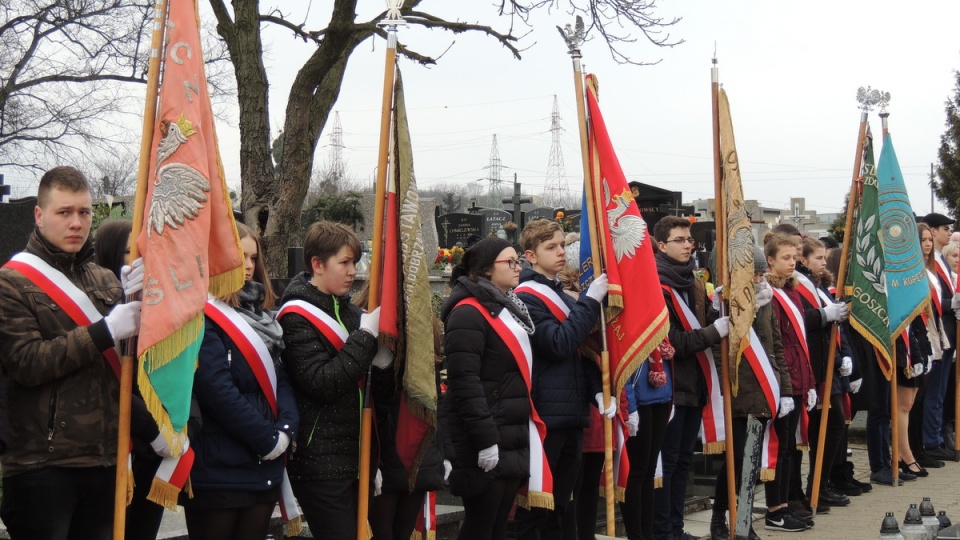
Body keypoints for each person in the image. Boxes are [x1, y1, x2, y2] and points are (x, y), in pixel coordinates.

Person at [0, 166, 143, 540]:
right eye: (64, 212)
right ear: (39, 215)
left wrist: (143, 301)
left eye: (84, 212)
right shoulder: (10, 282)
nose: (76, 223)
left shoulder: (106, 278)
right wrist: (105, 329)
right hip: (43, 464)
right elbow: (27, 362)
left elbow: (130, 361)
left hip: (105, 456)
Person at [182, 223, 300, 540]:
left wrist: (287, 430)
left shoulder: (265, 317)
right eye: (239, 257)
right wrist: (267, 439)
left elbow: (282, 379)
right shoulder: (202, 315)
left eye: (252, 258)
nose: (247, 266)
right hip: (218, 467)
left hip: (263, 467)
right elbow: (216, 391)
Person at [278, 221, 381, 540]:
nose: (353, 271)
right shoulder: (296, 316)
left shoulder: (351, 312)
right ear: (317, 265)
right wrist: (365, 337)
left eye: (355, 262)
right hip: (319, 462)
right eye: (345, 262)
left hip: (357, 454)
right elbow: (322, 382)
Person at [513, 219, 612, 540]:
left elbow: (579, 354)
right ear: (530, 255)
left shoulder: (560, 293)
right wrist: (589, 301)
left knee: (559, 507)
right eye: (550, 247)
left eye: (561, 245)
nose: (560, 252)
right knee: (536, 509)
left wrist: (596, 392)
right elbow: (558, 343)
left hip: (572, 414)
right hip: (545, 416)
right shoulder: (526, 297)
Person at [439, 237, 536, 540]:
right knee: (481, 526)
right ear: (486, 270)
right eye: (510, 261)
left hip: (510, 431)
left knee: (498, 527)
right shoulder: (468, 312)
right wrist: (485, 440)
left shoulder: (505, 307)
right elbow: (465, 382)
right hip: (485, 436)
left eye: (518, 260)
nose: (518, 266)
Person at [651, 216, 729, 540]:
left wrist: (715, 308)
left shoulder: (694, 281)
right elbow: (674, 342)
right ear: (661, 245)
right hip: (669, 388)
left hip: (695, 385)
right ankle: (662, 530)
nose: (687, 245)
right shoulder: (656, 285)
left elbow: (699, 325)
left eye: (689, 240)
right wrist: (713, 331)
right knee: (667, 465)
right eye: (679, 240)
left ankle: (677, 528)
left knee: (684, 462)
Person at [94, 220, 169, 540]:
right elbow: (107, 381)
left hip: (152, 455)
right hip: (116, 449)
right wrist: (153, 429)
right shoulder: (99, 309)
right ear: (111, 255)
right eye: (129, 252)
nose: (139, 259)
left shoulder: (157, 306)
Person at [709, 246, 790, 540]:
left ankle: (743, 522)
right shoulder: (721, 303)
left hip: (765, 392)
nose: (758, 278)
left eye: (760, 273)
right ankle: (719, 518)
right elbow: (719, 355)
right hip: (737, 392)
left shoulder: (767, 301)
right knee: (737, 461)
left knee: (752, 463)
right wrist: (724, 385)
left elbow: (775, 348)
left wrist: (786, 390)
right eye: (753, 273)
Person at [763, 232, 816, 532]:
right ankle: (775, 508)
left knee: (788, 448)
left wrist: (807, 383)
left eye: (794, 257)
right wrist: (786, 385)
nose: (792, 262)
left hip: (797, 377)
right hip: (783, 379)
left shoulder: (792, 290)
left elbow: (800, 341)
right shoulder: (770, 293)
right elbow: (777, 343)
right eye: (786, 258)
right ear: (770, 261)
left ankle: (784, 504)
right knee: (779, 447)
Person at [795, 236, 852, 508]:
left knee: (833, 426)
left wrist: (844, 356)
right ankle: (815, 485)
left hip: (828, 365)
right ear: (803, 260)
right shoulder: (798, 284)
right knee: (822, 427)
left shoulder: (817, 284)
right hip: (812, 367)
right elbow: (799, 319)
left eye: (824, 257)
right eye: (818, 258)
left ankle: (822, 482)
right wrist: (824, 316)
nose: (823, 262)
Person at [920, 213, 958, 463]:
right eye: (944, 229)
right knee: (933, 391)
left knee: (941, 391)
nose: (947, 233)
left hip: (947, 333)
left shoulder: (940, 261)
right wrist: (950, 302)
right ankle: (930, 441)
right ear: (933, 231)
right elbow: (929, 301)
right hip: (935, 333)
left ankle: (937, 438)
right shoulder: (928, 263)